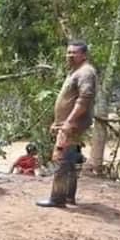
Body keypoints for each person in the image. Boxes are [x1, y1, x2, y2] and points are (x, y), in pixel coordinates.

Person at [37, 40, 97, 207]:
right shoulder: (75, 71)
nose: (69, 55)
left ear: (84, 55)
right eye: (68, 52)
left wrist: (69, 122)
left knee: (62, 158)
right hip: (67, 123)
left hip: (73, 124)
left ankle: (58, 198)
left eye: (74, 53)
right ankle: (69, 196)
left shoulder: (86, 72)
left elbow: (84, 99)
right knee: (69, 159)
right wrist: (58, 122)